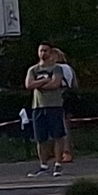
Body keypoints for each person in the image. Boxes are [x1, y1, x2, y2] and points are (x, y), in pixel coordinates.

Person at [24, 44, 76, 176]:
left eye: (45, 50)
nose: (43, 53)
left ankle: (58, 164)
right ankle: (43, 165)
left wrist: (40, 84)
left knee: (57, 135)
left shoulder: (57, 68)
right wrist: (45, 81)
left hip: (54, 105)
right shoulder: (33, 69)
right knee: (40, 138)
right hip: (38, 106)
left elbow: (55, 83)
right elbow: (29, 84)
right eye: (40, 50)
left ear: (51, 52)